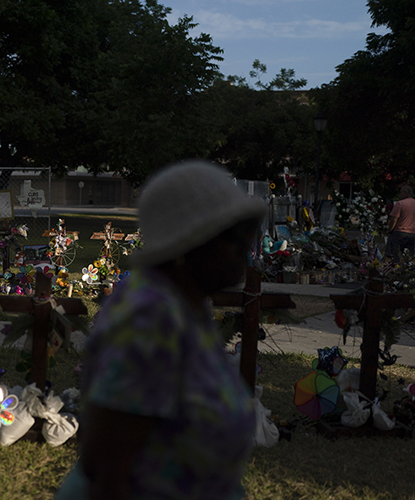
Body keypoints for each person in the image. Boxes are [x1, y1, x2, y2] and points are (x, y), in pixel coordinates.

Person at [55, 160, 265, 500]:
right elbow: (109, 470)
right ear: (186, 244)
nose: (246, 246)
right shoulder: (150, 317)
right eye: (231, 234)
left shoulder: (187, 304)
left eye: (249, 230)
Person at [385, 185, 415, 263]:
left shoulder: (400, 204)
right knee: (408, 257)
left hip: (399, 233)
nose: (399, 195)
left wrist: (390, 230)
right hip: (412, 234)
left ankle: (393, 270)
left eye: (400, 192)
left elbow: (394, 219)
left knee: (394, 255)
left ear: (406, 193)